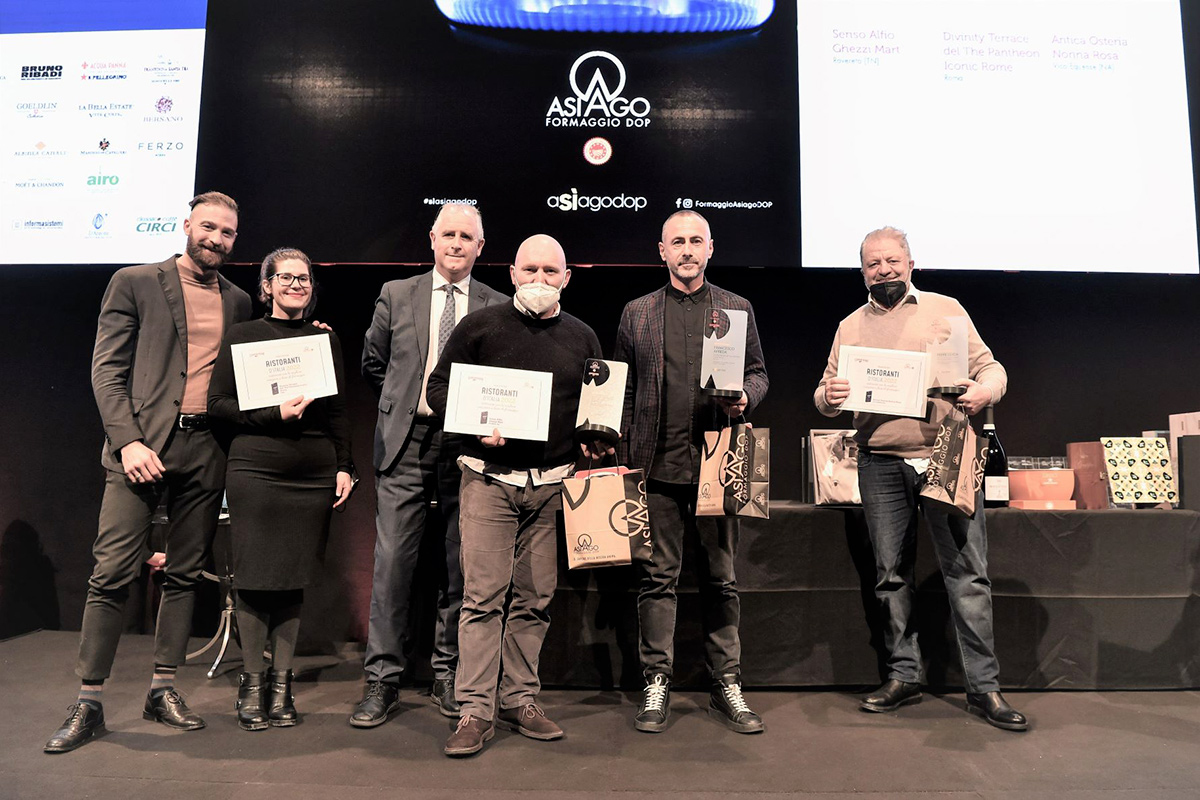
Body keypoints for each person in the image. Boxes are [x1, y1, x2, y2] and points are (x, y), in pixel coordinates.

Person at [45, 192, 252, 753]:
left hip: (206, 448)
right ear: (186, 225)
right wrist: (128, 440)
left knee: (185, 574)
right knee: (111, 573)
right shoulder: (134, 281)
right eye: (208, 226)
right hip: (140, 449)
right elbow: (106, 372)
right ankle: (88, 701)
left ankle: (163, 690)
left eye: (228, 232)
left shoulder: (239, 300)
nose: (216, 238)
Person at [813, 226, 1028, 732]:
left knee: (968, 574)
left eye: (891, 259)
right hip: (880, 462)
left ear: (911, 262)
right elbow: (823, 394)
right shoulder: (849, 326)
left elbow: (992, 368)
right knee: (891, 575)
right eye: (872, 263)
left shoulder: (945, 309)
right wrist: (832, 395)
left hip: (945, 455)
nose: (882, 269)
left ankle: (985, 687)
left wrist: (984, 392)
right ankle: (904, 675)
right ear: (861, 270)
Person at [427, 234, 604, 757]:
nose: (540, 281)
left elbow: (599, 404)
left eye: (551, 272)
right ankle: (475, 710)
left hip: (552, 488)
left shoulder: (583, 336)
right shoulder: (479, 326)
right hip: (488, 481)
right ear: (511, 273)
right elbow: (439, 389)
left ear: (566, 278)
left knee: (534, 600)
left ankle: (519, 699)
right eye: (531, 270)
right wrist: (475, 423)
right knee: (481, 599)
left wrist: (598, 436)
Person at [613, 210, 768, 735]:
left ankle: (727, 683)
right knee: (657, 580)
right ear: (662, 250)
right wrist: (619, 451)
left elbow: (757, 373)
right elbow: (625, 390)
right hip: (655, 469)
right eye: (676, 241)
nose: (686, 250)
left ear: (710, 248)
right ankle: (656, 683)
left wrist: (747, 396)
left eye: (695, 241)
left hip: (718, 466)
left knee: (722, 580)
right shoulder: (637, 313)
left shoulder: (735, 308)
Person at [354, 204, 506, 727]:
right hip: (406, 443)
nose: (457, 243)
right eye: (449, 234)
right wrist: (406, 404)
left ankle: (448, 673)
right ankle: (382, 679)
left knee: (460, 566)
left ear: (480, 247)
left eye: (468, 236)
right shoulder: (398, 294)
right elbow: (374, 363)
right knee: (392, 566)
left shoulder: (498, 305)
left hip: (467, 449)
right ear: (432, 239)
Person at [207, 247, 355, 730]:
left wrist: (345, 466)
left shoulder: (323, 340)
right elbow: (219, 405)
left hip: (312, 472)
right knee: (253, 578)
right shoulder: (244, 335)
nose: (296, 284)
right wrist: (275, 414)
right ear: (266, 285)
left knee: (292, 580)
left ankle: (282, 685)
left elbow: (336, 411)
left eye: (304, 278)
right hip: (256, 470)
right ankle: (252, 684)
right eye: (286, 277)